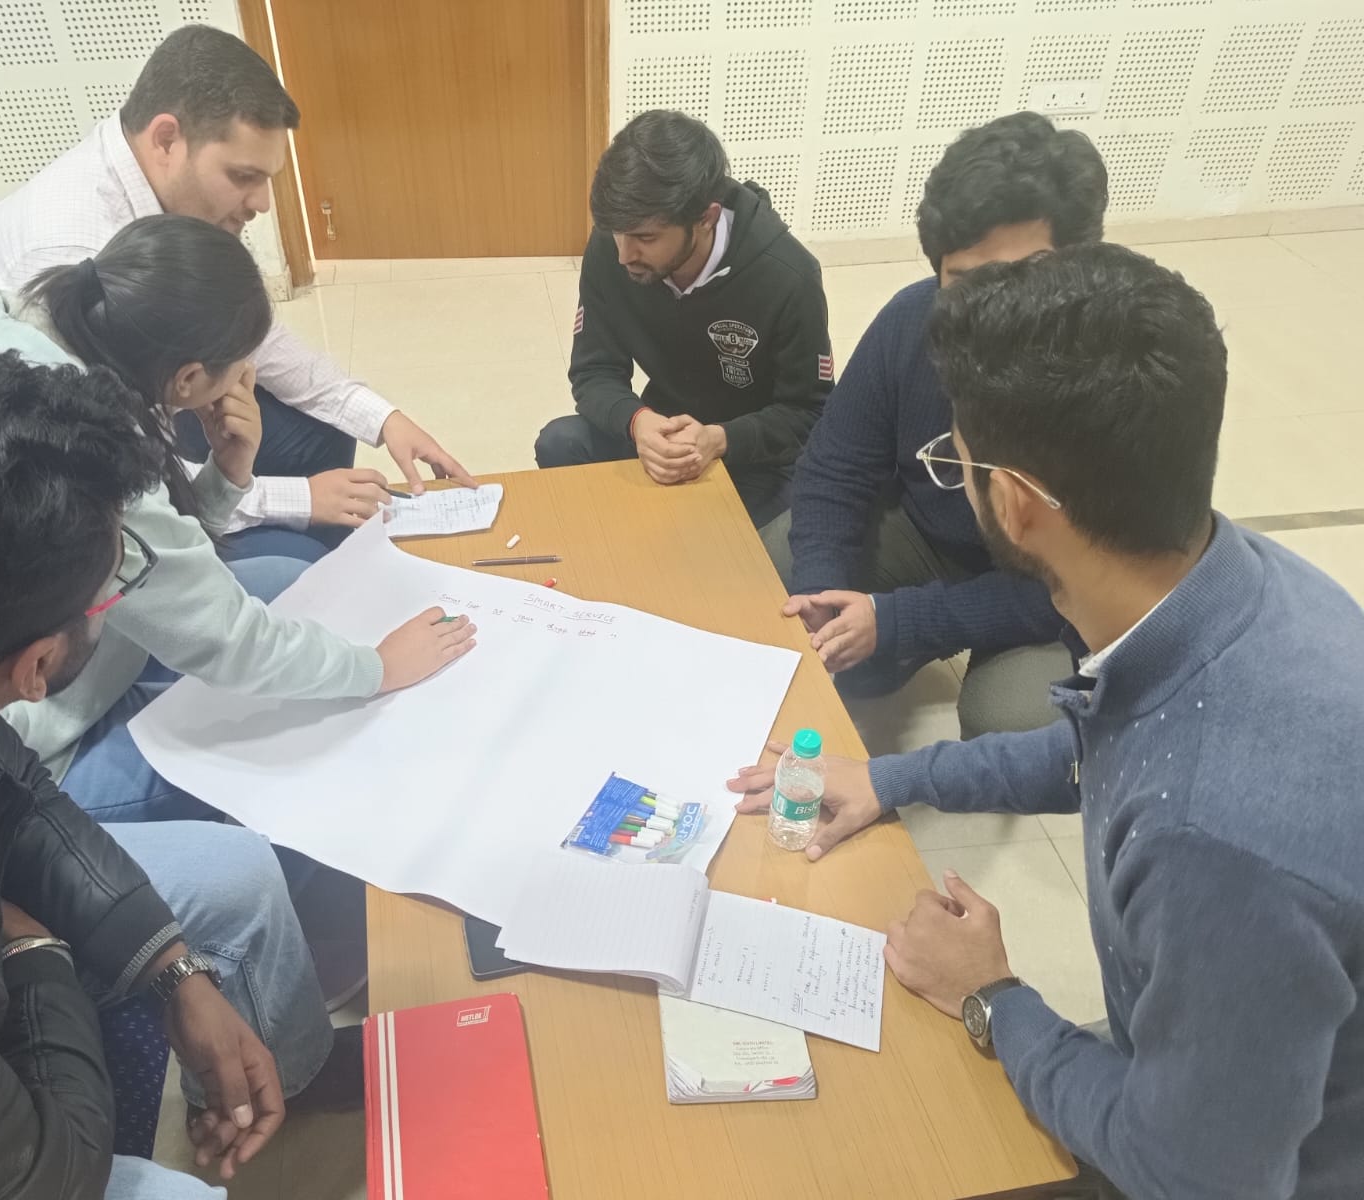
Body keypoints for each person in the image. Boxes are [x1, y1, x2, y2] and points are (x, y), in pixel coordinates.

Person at [732, 245, 1364, 1199]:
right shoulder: (1243, 582)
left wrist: (992, 997)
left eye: (955, 463)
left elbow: (1191, 1176)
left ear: (1017, 504)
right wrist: (892, 778)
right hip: (1228, 1074)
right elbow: (1100, 742)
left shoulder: (1212, 836)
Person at [0, 355, 355, 1199]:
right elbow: (50, 1173)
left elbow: (8, 781)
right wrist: (32, 946)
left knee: (235, 877)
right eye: (116, 580)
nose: (120, 586)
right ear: (37, 666)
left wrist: (173, 967)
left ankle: (287, 1076)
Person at [0, 215, 477, 1003]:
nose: (241, 383)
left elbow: (158, 569)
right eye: (235, 372)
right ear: (186, 380)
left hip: (61, 660)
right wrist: (379, 667)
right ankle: (307, 975)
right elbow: (225, 639)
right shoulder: (89, 454)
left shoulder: (15, 320)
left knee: (281, 575)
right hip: (28, 756)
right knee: (307, 726)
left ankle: (318, 901)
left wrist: (227, 473)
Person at [0, 23, 474, 553]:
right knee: (292, 559)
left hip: (138, 417)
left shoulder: (164, 199)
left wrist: (382, 416)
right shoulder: (71, 256)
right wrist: (300, 499)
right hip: (67, 492)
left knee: (320, 430)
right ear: (167, 140)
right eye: (243, 176)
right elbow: (119, 482)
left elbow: (247, 331)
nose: (262, 204)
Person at [762, 112, 1109, 738]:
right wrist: (823, 595)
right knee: (777, 575)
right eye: (965, 283)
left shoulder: (1123, 369)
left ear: (1077, 266)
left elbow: (1098, 580)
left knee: (1016, 721)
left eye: (1021, 276)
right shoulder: (913, 318)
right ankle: (881, 653)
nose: (991, 307)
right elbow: (835, 466)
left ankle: (941, 650)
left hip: (1052, 591)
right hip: (932, 537)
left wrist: (904, 621)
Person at [536, 109, 832, 529]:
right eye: (617, 233)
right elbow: (593, 371)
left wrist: (720, 439)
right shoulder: (613, 248)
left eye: (645, 237)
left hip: (752, 457)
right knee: (560, 443)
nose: (624, 255)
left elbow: (808, 412)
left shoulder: (788, 276)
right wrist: (638, 422)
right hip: (662, 433)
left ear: (706, 218)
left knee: (722, 542)